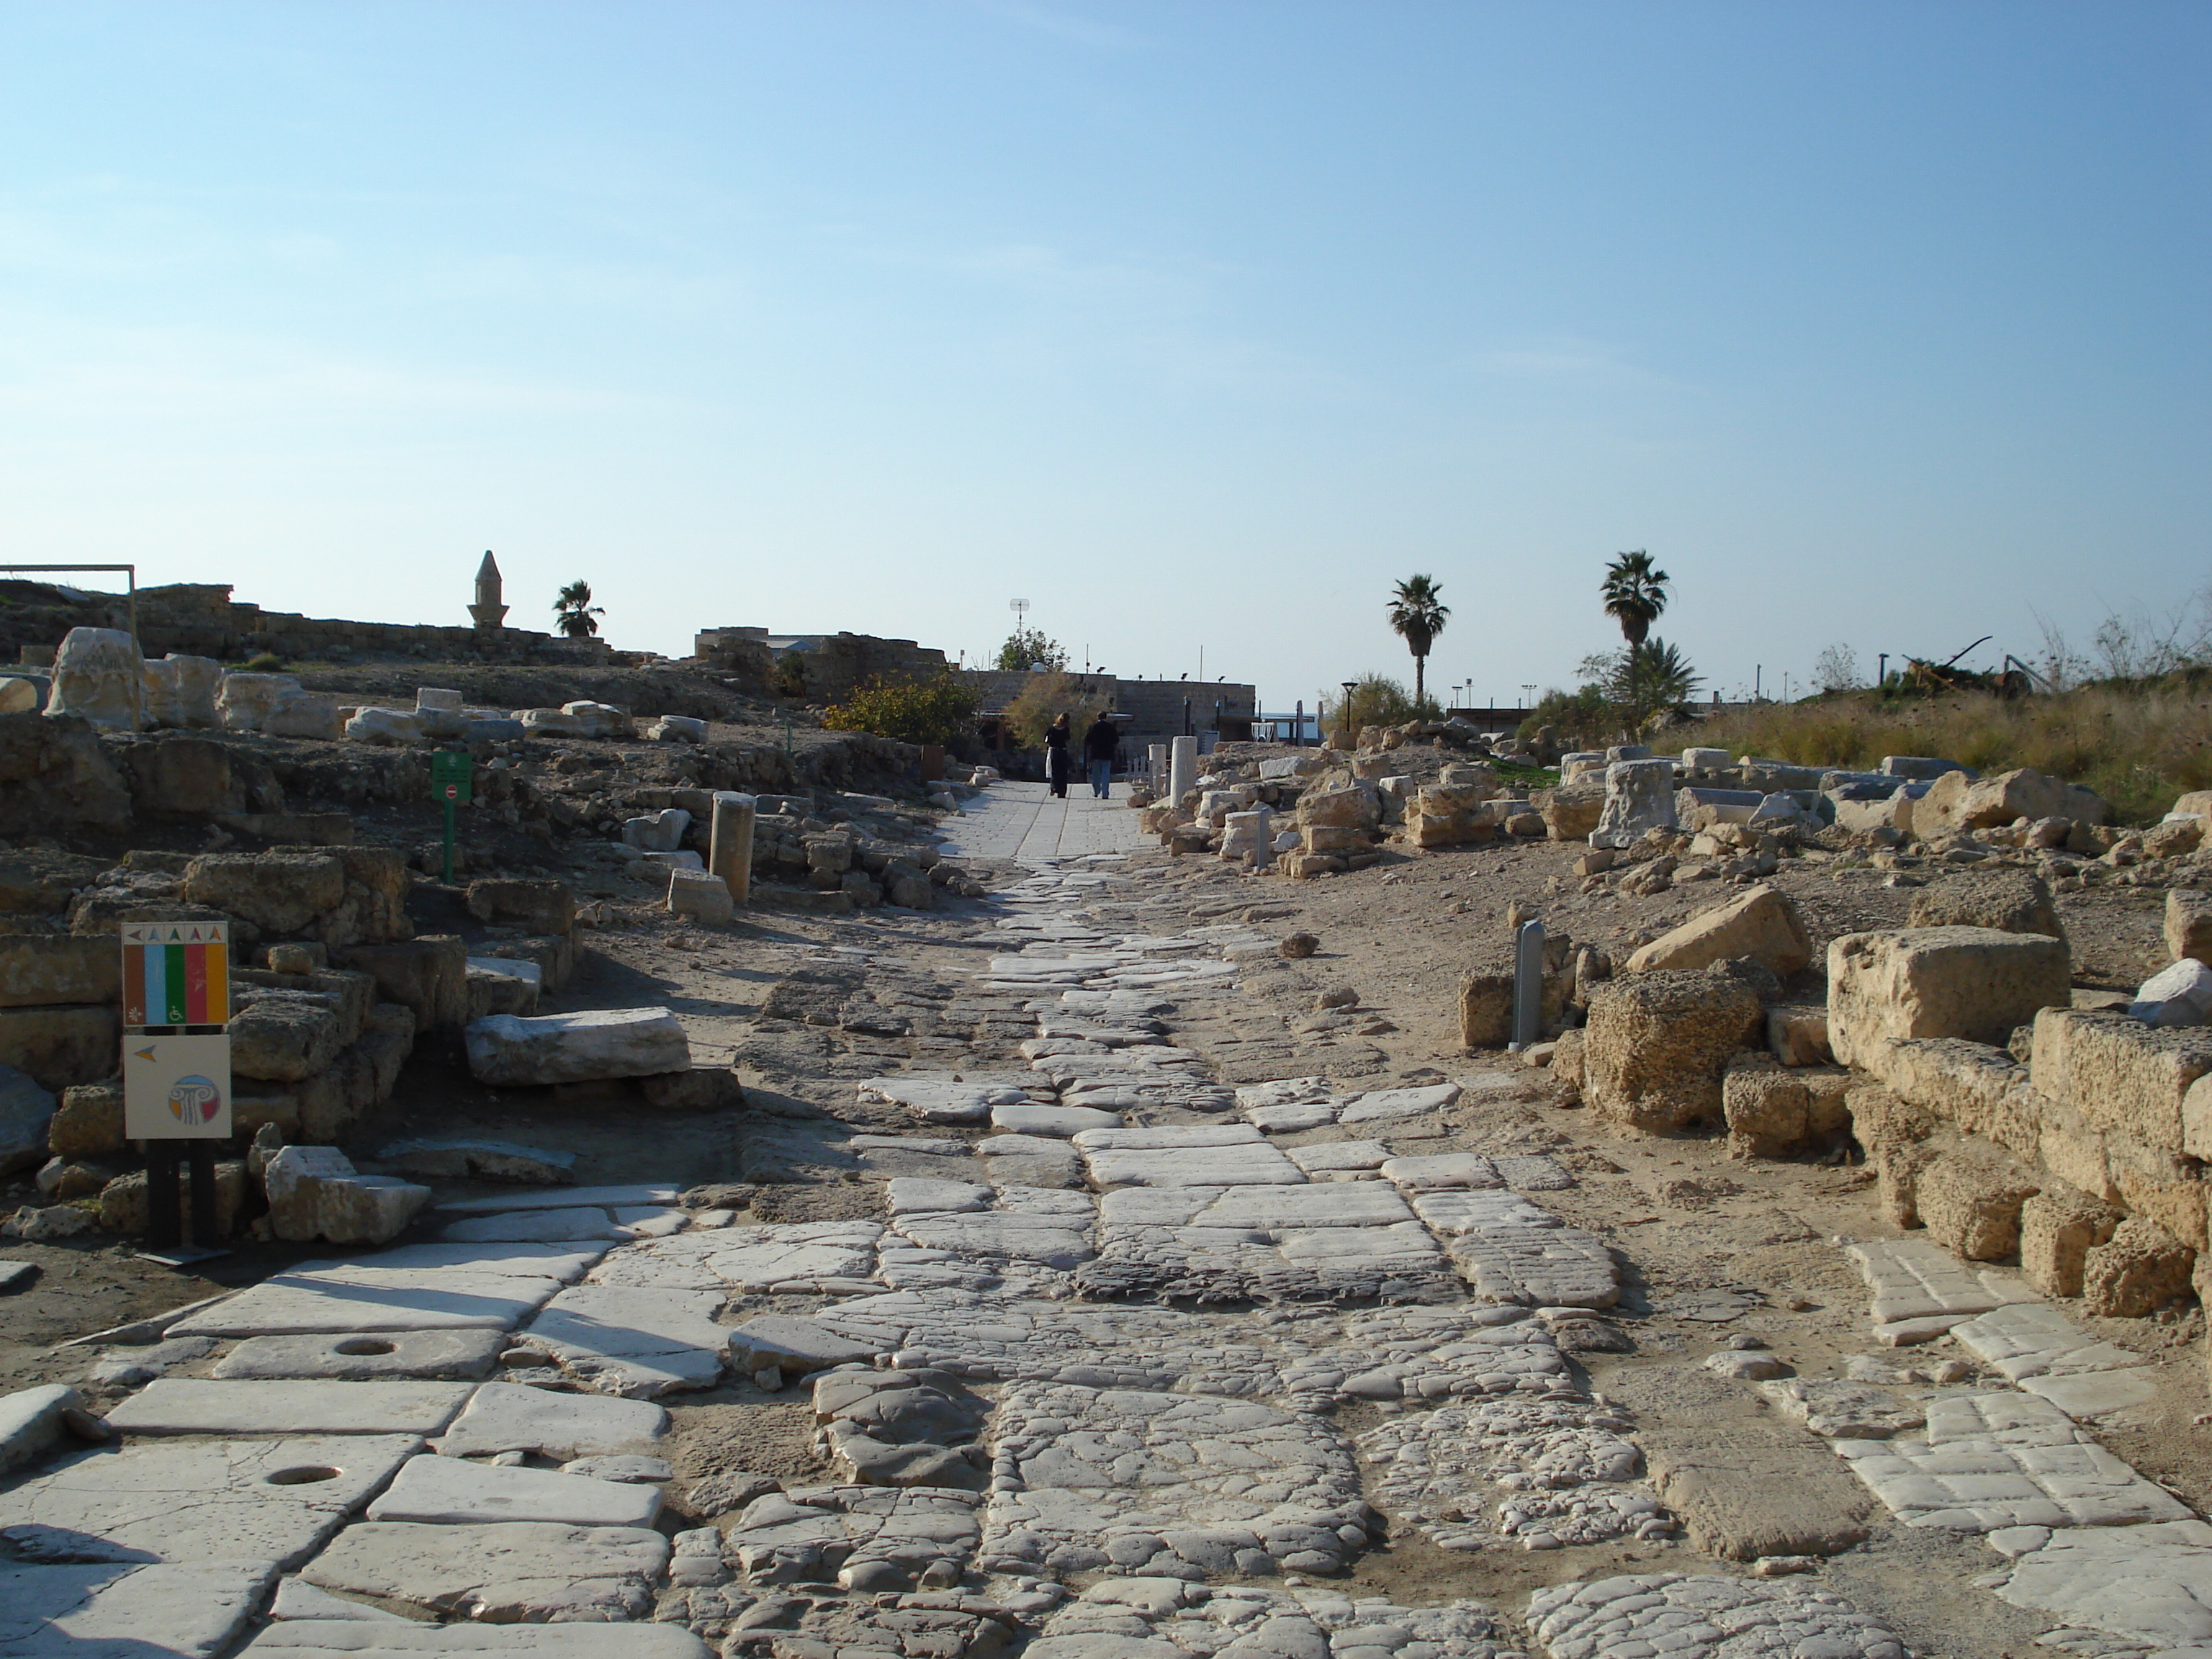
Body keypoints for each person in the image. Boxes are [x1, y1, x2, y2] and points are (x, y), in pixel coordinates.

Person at [1082, 710, 1118, 799]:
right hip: (1107, 753)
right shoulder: (1111, 727)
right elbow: (1116, 740)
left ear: (1098, 718)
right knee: (1106, 774)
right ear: (1106, 717)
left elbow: (1088, 740)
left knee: (1096, 774)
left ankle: (1096, 791)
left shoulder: (1092, 727)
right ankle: (1105, 794)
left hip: (1096, 753)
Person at [1045, 712, 1072, 799]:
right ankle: (1062, 792)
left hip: (1054, 750)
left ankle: (1054, 787)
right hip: (1063, 751)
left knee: (1054, 770)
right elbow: (1068, 738)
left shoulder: (1052, 728)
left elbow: (1046, 739)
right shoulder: (1066, 729)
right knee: (1063, 772)